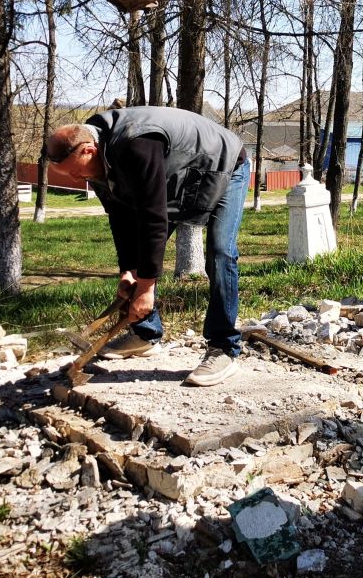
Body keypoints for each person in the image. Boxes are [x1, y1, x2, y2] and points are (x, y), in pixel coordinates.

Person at [46, 106, 250, 387]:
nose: (75, 180)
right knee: (144, 255)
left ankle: (224, 347)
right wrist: (129, 270)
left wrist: (145, 288)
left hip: (225, 165)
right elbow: (120, 216)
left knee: (220, 252)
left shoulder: (136, 144)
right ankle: (146, 334)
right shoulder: (97, 154)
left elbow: (154, 216)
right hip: (180, 173)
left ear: (88, 151)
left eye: (74, 172)